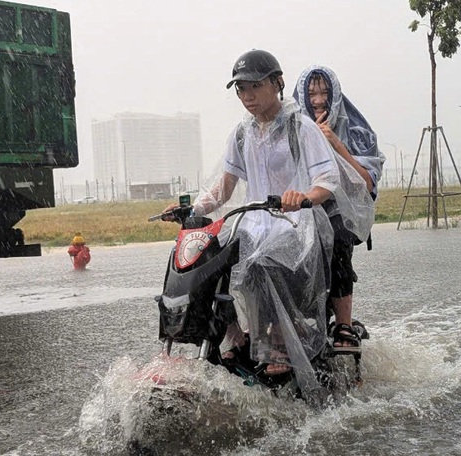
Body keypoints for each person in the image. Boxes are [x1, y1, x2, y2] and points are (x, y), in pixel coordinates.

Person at [165, 50, 373, 399]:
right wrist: (194, 207)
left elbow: (327, 178)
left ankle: (276, 343)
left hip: (296, 227)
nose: (247, 96)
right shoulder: (242, 132)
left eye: (255, 86)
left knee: (260, 263)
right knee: (208, 256)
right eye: (241, 88)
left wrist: (303, 197)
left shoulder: (300, 126)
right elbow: (224, 186)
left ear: (277, 83)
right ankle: (231, 335)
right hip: (253, 226)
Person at [293, 65, 385, 353]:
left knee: (338, 243)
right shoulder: (292, 127)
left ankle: (343, 323)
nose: (318, 101)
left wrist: (334, 143)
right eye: (311, 94)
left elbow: (367, 181)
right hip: (302, 208)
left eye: (323, 93)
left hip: (343, 212)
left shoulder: (356, 130)